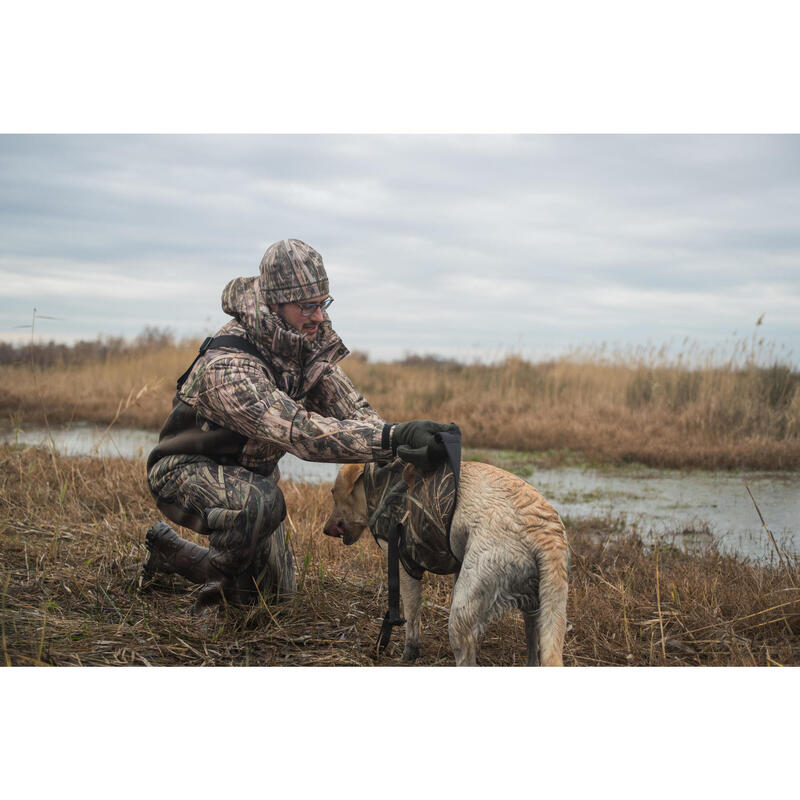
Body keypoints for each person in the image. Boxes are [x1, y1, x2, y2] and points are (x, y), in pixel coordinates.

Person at [143, 238, 454, 614]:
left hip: (253, 478)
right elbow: (301, 434)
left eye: (323, 303)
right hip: (186, 470)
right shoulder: (229, 364)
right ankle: (217, 607)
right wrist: (392, 437)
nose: (319, 316)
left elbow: (354, 412)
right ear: (275, 303)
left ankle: (169, 551)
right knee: (259, 507)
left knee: (277, 596)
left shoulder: (304, 346)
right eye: (308, 306)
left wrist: (405, 444)